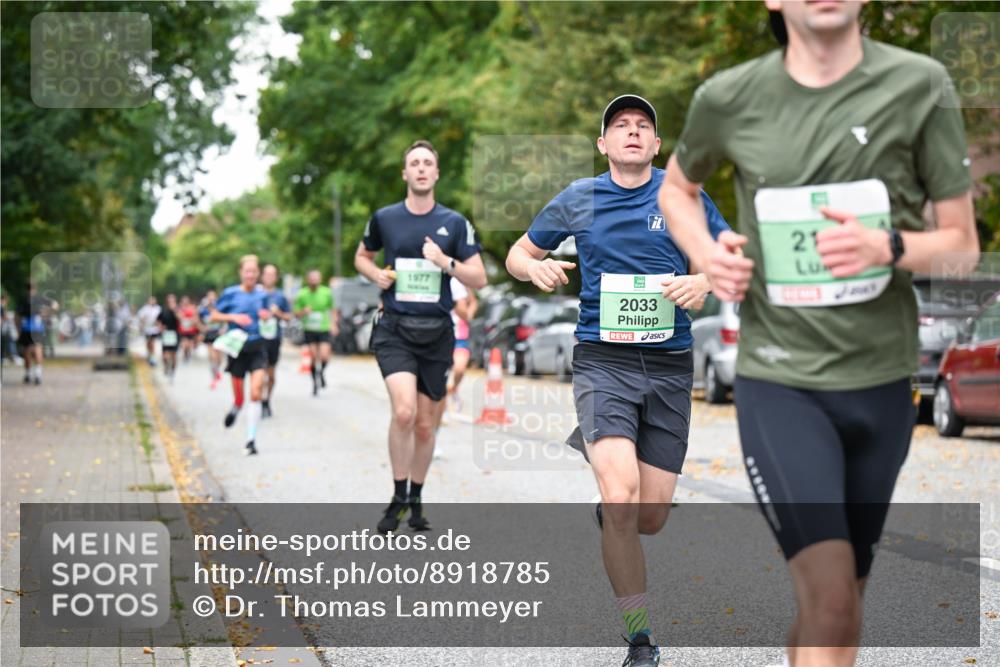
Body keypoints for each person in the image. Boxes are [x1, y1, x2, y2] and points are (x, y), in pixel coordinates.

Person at [658, 3, 979, 665]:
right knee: (832, 597)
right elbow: (677, 189)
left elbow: (963, 247)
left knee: (839, 601)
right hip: (781, 382)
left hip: (882, 383)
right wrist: (708, 252)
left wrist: (886, 245)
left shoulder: (921, 84)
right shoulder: (729, 97)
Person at [506, 95, 728, 667]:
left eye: (643, 127)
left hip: (671, 367)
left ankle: (614, 514)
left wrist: (702, 279)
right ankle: (640, 638)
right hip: (603, 363)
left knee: (648, 517)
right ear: (603, 144)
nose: (632, 133)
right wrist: (535, 267)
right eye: (620, 127)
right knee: (624, 497)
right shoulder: (577, 199)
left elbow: (731, 262)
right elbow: (516, 254)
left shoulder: (684, 199)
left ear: (657, 146)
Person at [355, 139, 487, 534]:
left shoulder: (455, 223)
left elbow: (479, 276)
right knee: (404, 413)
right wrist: (374, 273)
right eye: (414, 163)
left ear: (437, 173)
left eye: (428, 162)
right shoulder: (385, 218)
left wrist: (444, 262)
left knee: (427, 425)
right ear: (405, 173)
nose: (421, 169)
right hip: (395, 328)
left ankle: (416, 495)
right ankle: (397, 495)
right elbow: (362, 256)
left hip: (436, 334)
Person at [211, 255, 273, 456]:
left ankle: (251, 440)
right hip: (237, 350)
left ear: (258, 274)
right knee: (240, 397)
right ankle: (236, 407)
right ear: (241, 273)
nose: (251, 275)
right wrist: (232, 316)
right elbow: (213, 315)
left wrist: (267, 317)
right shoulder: (230, 294)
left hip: (257, 347)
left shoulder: (262, 295)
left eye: (254, 271)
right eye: (247, 271)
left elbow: (267, 317)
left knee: (255, 393)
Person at [293, 270, 338, 396]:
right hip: (309, 329)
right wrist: (303, 311)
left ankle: (321, 373)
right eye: (311, 278)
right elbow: (296, 314)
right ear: (308, 279)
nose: (314, 280)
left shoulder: (326, 292)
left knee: (324, 356)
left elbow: (333, 309)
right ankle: (315, 384)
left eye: (316, 278)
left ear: (320, 279)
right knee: (313, 357)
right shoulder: (302, 293)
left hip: (323, 328)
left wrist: (334, 324)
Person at [260, 264, 292, 417]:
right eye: (267, 274)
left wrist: (277, 312)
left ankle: (267, 400)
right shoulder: (256, 293)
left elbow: (288, 316)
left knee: (271, 375)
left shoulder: (280, 296)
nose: (269, 277)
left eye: (272, 274)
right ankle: (258, 399)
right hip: (258, 339)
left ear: (276, 277)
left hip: (274, 339)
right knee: (260, 373)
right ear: (262, 276)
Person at [444, 276, 477, 417]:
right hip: (442, 333)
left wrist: (468, 315)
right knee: (441, 373)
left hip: (460, 336)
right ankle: (442, 403)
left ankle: (454, 389)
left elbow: (474, 302)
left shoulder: (460, 281)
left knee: (460, 368)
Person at [16, 283, 54, 385]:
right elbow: (55, 305)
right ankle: (37, 373)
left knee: (28, 351)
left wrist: (18, 330)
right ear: (35, 289)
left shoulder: (22, 300)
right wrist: (46, 313)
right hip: (36, 329)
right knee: (37, 350)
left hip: (27, 329)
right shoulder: (39, 299)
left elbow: (17, 317)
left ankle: (29, 374)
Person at [199, 290, 224, 389]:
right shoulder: (203, 309)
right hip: (209, 334)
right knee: (212, 356)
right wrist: (202, 329)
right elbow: (197, 319)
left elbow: (225, 319)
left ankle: (217, 370)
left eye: (213, 296)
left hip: (218, 333)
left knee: (219, 358)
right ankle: (213, 377)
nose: (211, 298)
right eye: (209, 296)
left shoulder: (220, 307)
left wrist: (223, 329)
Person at [156, 294, 181, 380]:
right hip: (166, 334)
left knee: (174, 355)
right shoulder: (163, 310)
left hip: (175, 334)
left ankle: (173, 370)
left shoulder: (177, 310)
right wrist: (160, 327)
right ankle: (166, 366)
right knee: (165, 355)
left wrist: (175, 311)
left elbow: (181, 319)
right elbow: (158, 320)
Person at [137, 296, 162, 366]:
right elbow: (141, 318)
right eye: (151, 300)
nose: (152, 302)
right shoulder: (145, 309)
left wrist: (159, 325)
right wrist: (141, 326)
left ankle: (153, 358)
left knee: (152, 343)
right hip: (147, 329)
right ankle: (149, 354)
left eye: (153, 300)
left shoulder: (158, 308)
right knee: (148, 343)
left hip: (155, 329)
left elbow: (161, 318)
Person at [177, 295, 200, 362]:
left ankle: (188, 354)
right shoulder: (180, 309)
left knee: (189, 344)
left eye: (186, 301)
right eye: (183, 301)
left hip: (191, 330)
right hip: (183, 330)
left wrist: (189, 321)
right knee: (184, 344)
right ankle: (185, 355)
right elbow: (179, 317)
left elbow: (196, 318)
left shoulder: (192, 308)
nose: (185, 302)